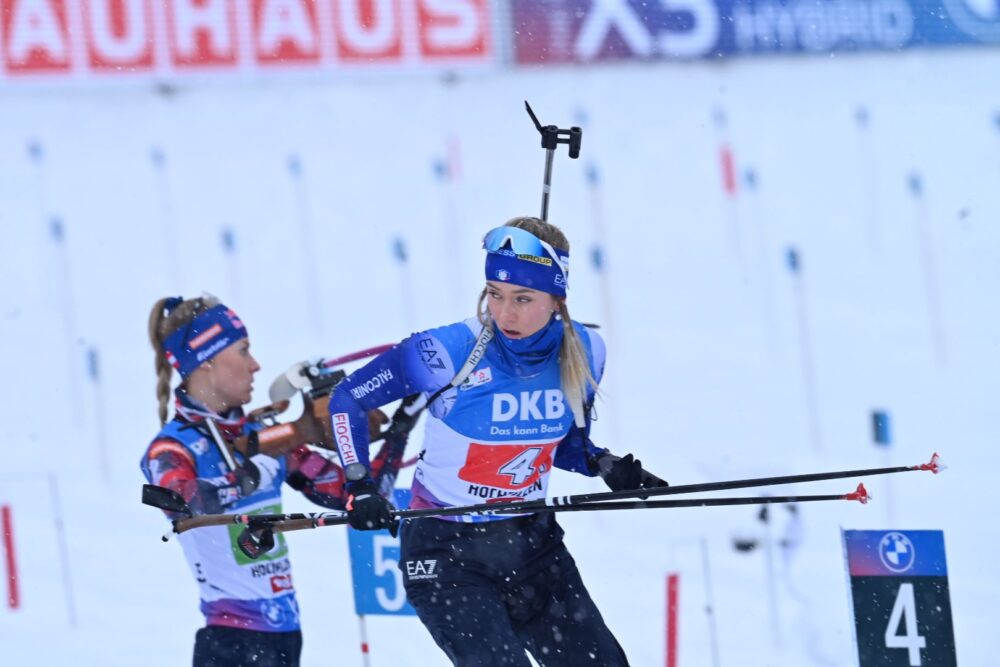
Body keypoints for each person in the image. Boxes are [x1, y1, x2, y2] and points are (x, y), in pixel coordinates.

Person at [327, 217, 667, 666]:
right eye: (495, 293)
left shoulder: (586, 350)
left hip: (531, 548)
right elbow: (348, 398)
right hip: (446, 553)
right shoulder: (447, 352)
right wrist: (360, 484)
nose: (505, 313)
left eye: (524, 299)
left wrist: (604, 465)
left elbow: (560, 442)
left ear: (556, 298)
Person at [140, 295, 360, 667]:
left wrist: (384, 426)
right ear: (206, 360)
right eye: (243, 351)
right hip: (230, 642)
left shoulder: (261, 435)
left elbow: (351, 493)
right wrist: (264, 457)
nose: (255, 365)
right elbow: (183, 504)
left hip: (285, 639)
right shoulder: (171, 449)